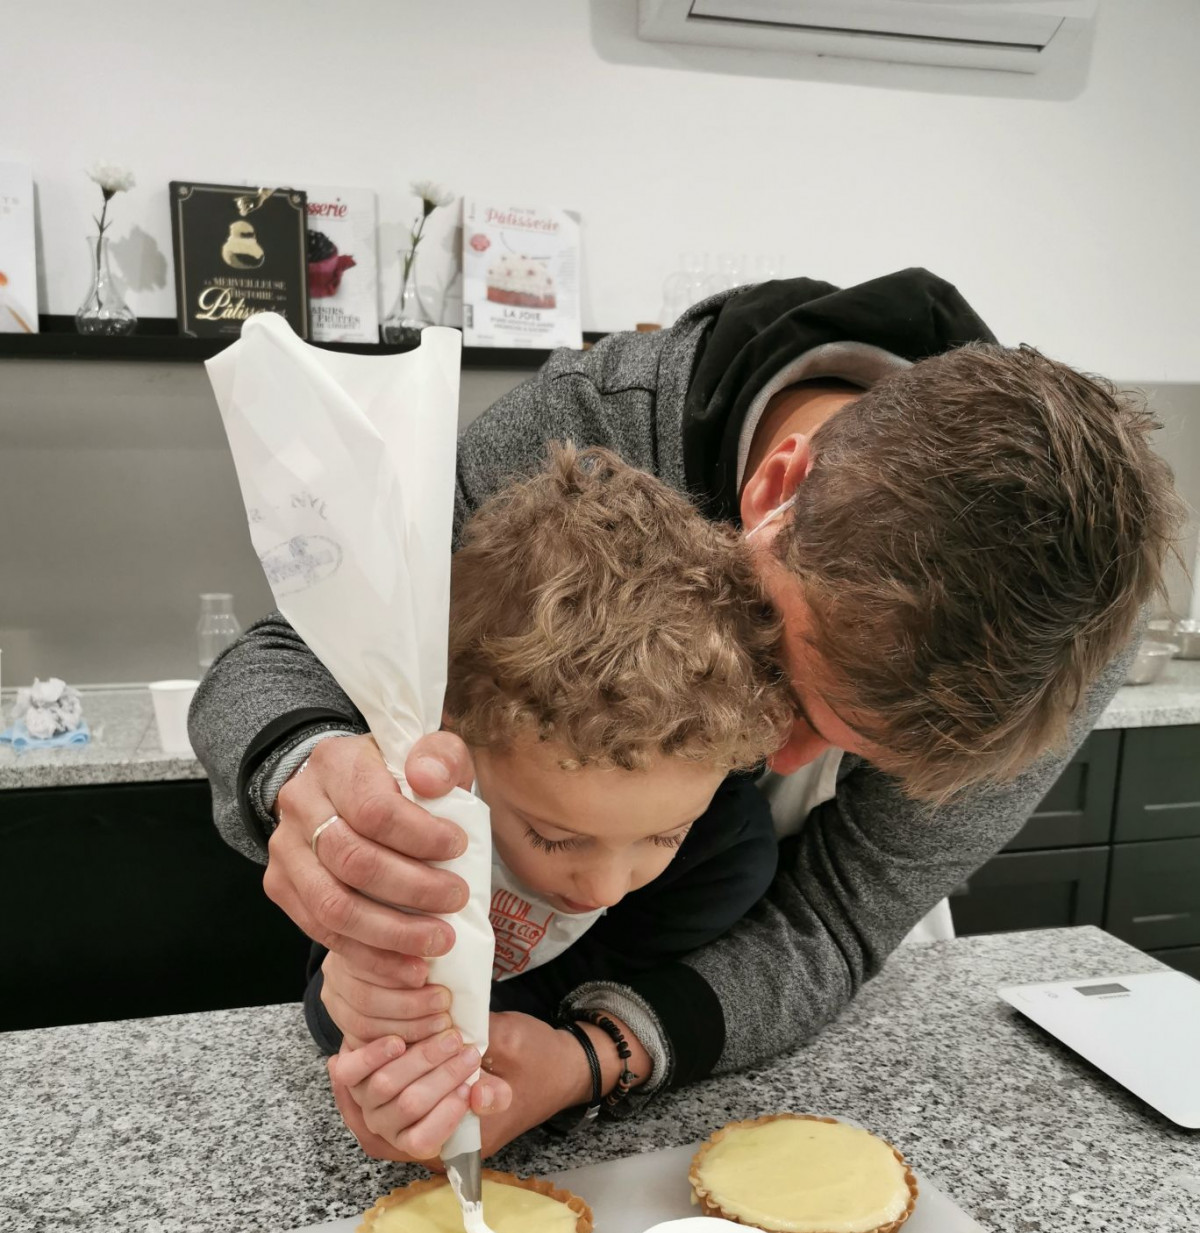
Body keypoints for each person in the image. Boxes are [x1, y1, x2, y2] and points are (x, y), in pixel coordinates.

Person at [190, 268, 1183, 1158]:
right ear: (775, 489)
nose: (770, 753)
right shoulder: (588, 425)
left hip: (733, 986)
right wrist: (312, 780)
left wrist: (594, 1055)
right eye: (796, 687)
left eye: (852, 750)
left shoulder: (1058, 638)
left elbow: (833, 922)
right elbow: (289, 655)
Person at [311, 443, 789, 1160]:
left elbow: (632, 974)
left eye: (664, 836)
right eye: (556, 839)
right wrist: (375, 1022)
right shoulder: (410, 811)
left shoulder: (723, 859)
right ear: (455, 746)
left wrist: (564, 1057)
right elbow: (336, 977)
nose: (602, 885)